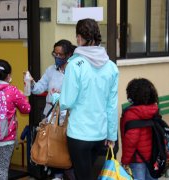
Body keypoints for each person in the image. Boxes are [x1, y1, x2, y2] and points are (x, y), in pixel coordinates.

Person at [56, 18, 119, 180]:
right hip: (101, 135)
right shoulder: (111, 66)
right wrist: (112, 136)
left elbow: (66, 102)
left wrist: (56, 96)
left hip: (79, 134)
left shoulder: (75, 65)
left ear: (79, 38)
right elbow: (112, 105)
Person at [29, 39, 76, 180]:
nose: (56, 57)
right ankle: (57, 175)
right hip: (49, 116)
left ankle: (65, 173)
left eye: (60, 55)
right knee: (53, 146)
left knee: (65, 149)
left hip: (68, 118)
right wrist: (31, 83)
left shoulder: (74, 71)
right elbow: (38, 89)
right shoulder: (50, 70)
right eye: (54, 54)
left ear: (68, 55)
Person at [0, 59, 31, 180]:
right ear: (8, 75)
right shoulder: (12, 91)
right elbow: (26, 109)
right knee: (1, 168)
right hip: (5, 138)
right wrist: (22, 96)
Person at [120, 78, 159, 180]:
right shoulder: (153, 109)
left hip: (137, 159)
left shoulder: (131, 114)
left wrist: (125, 161)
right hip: (153, 157)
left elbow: (131, 141)